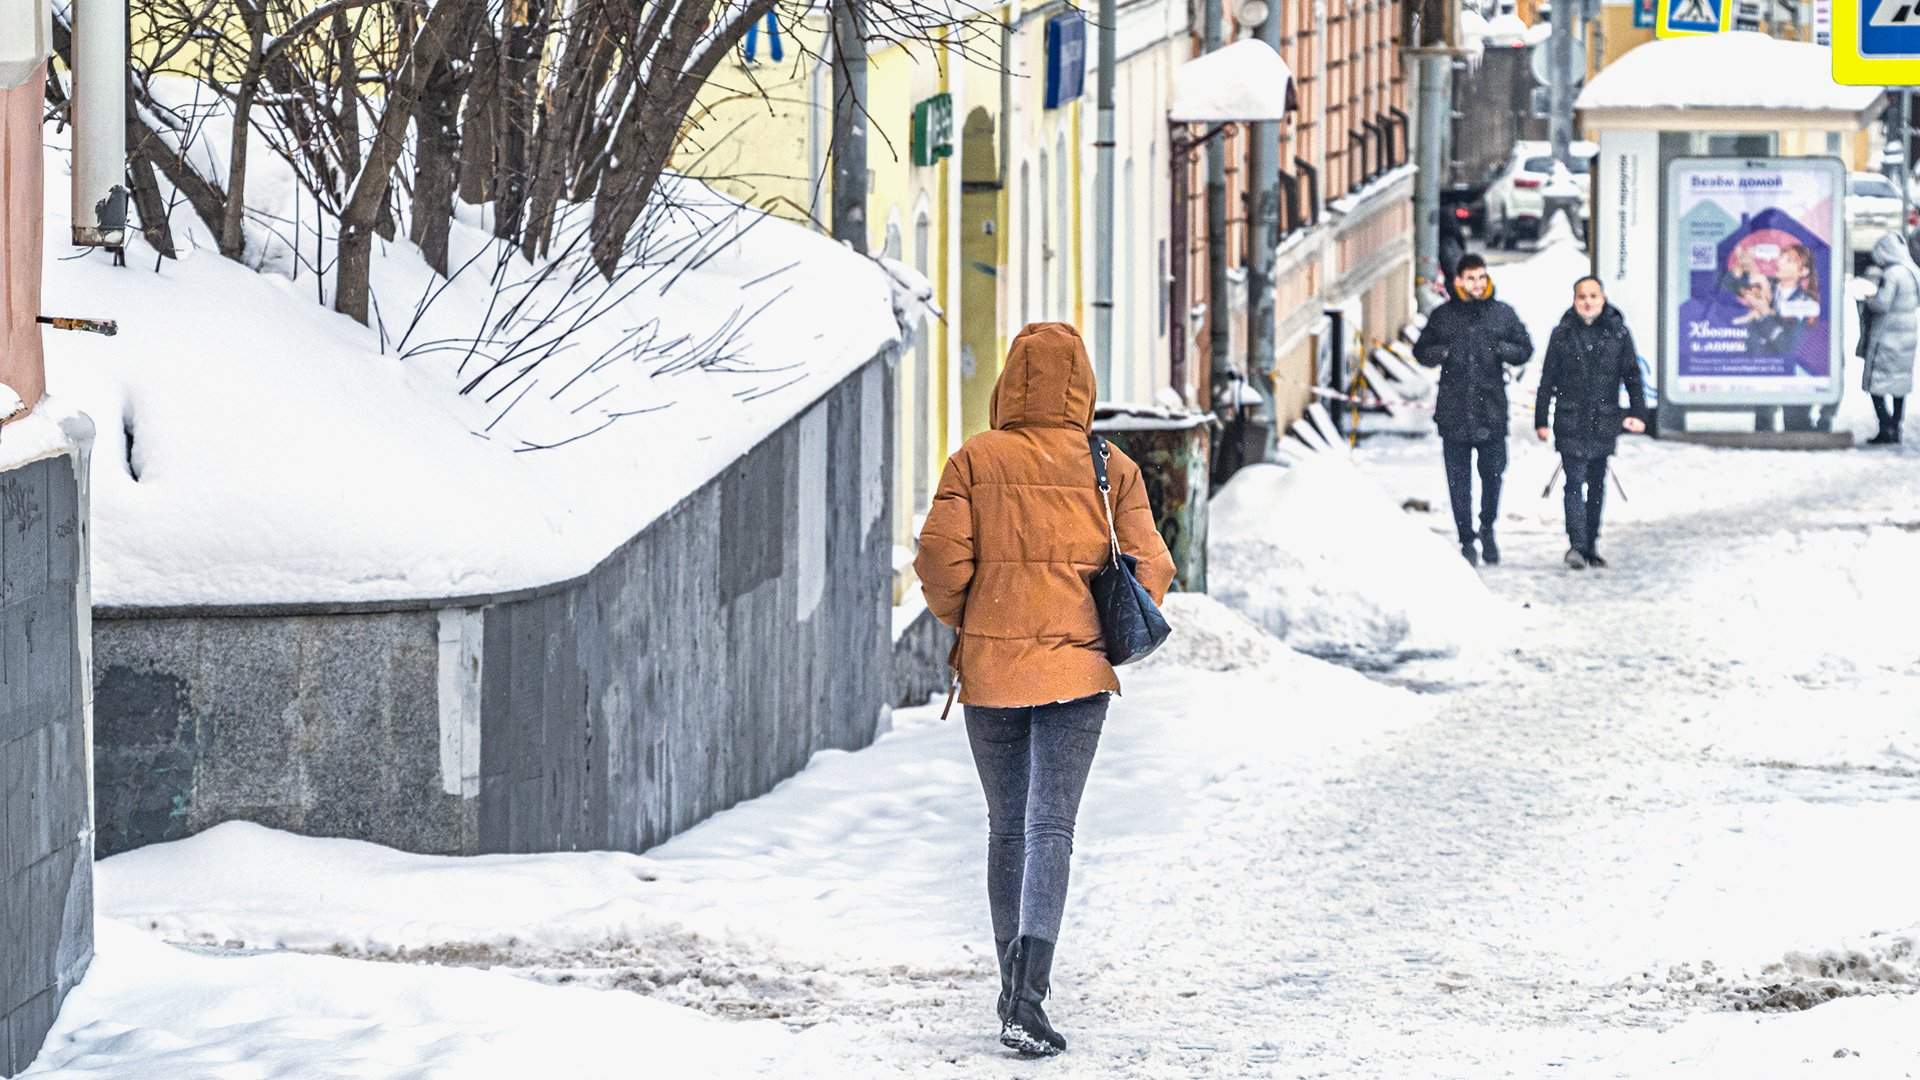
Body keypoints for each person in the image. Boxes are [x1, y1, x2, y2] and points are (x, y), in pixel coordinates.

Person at [913, 322, 1176, 1058]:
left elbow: (938, 559)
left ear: (1011, 381)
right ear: (1081, 386)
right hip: (1077, 671)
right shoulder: (1109, 465)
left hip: (992, 672)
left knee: (1006, 827)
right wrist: (1102, 616)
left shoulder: (976, 459)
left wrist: (970, 614)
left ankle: (1008, 986)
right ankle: (1029, 997)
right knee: (1051, 828)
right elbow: (1151, 563)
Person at [1413, 253, 1534, 566]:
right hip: (1454, 412)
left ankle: (1487, 526)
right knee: (1459, 481)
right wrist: (1442, 353)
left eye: (1481, 277)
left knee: (1493, 475)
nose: (1477, 284)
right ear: (1459, 281)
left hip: (1491, 411)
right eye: (1470, 278)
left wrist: (1502, 350)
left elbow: (1525, 349)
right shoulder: (1444, 316)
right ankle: (1466, 537)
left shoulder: (1501, 313)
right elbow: (1421, 351)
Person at [1535, 277, 1648, 569]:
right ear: (1574, 300)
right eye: (1582, 296)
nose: (1588, 302)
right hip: (1570, 419)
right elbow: (1548, 380)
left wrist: (1638, 413)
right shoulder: (1562, 334)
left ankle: (1591, 543)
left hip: (1604, 420)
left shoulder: (1618, 334)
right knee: (1573, 482)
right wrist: (1541, 419)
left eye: (1593, 296)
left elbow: (1633, 377)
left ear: (1603, 299)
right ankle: (1576, 544)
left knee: (1597, 483)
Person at [1862, 232, 1916, 446]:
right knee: (1899, 385)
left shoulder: (1891, 275)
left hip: (1888, 337)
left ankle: (1885, 426)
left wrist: (1868, 299)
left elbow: (1882, 304)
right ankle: (1896, 425)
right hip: (1907, 338)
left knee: (1875, 384)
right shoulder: (1909, 272)